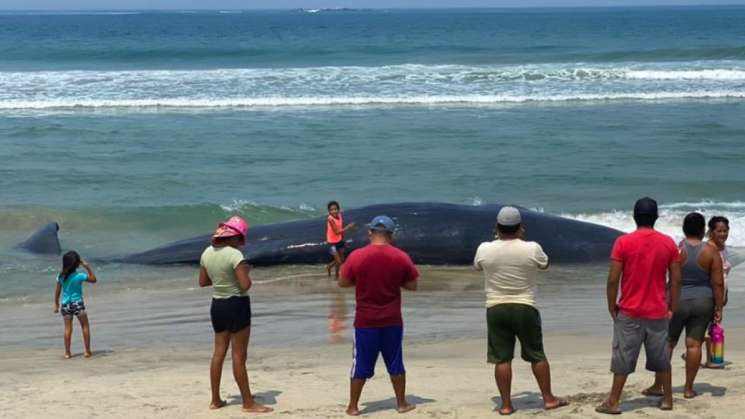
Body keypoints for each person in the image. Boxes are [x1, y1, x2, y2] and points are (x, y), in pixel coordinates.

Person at [473, 206, 568, 416]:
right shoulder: (531, 248)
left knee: (502, 358)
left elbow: (478, 266)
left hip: (496, 307)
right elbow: (545, 264)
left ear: (497, 227)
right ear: (520, 228)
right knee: (536, 355)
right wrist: (522, 241)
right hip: (525, 305)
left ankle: (506, 405)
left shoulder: (484, 249)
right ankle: (548, 399)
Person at [596, 197, 681, 415]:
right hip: (658, 311)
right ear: (656, 218)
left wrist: (611, 305)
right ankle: (668, 400)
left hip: (630, 311)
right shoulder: (668, 243)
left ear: (634, 217)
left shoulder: (623, 242)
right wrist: (673, 306)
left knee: (623, 359)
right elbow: (676, 279)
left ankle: (613, 401)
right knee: (662, 359)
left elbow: (613, 279)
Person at [339, 215, 418, 416]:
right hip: (392, 319)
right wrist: (393, 281)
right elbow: (412, 285)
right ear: (391, 235)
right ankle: (401, 403)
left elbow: (343, 282)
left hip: (365, 321)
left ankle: (353, 406)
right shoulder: (401, 257)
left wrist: (363, 280)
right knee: (395, 361)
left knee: (360, 363)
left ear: (370, 233)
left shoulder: (357, 256)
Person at [643, 212, 724, 399]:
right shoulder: (711, 252)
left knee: (669, 343)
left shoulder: (677, 249)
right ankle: (688, 389)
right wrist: (718, 308)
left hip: (678, 301)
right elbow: (718, 284)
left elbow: (666, 276)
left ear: (683, 229)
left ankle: (658, 385)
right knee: (694, 345)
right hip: (703, 302)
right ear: (704, 230)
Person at [198, 216, 272, 413]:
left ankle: (215, 400)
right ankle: (248, 403)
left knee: (218, 353)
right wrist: (246, 271)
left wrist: (222, 278)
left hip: (217, 305)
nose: (241, 242)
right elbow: (245, 285)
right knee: (239, 356)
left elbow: (203, 282)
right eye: (240, 238)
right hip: (236, 304)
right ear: (233, 237)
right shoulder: (235, 255)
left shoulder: (207, 253)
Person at [53, 250, 97, 359]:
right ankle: (87, 351)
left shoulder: (61, 276)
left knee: (68, 329)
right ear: (77, 263)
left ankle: (67, 353)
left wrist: (56, 304)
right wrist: (87, 267)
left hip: (66, 305)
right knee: (85, 326)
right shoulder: (80, 276)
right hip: (77, 303)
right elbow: (94, 280)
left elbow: (57, 291)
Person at [705, 215, 731, 368]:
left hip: (721, 292)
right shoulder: (709, 249)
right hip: (711, 292)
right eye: (719, 231)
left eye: (725, 231)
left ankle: (710, 358)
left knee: (713, 326)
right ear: (711, 232)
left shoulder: (724, 248)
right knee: (708, 325)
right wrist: (717, 298)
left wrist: (725, 294)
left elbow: (725, 275)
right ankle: (693, 352)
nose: (723, 234)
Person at [326, 200, 355, 278]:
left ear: (338, 209)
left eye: (335, 209)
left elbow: (340, 227)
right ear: (329, 211)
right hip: (331, 243)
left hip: (339, 241)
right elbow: (337, 232)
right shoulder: (330, 219)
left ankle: (331, 268)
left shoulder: (339, 215)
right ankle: (336, 276)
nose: (334, 211)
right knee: (339, 262)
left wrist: (343, 239)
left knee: (342, 259)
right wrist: (348, 227)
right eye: (331, 210)